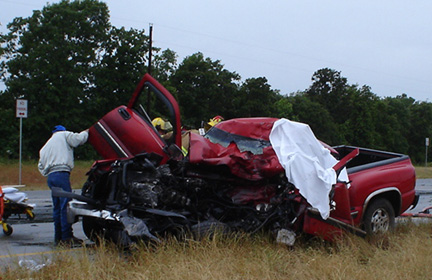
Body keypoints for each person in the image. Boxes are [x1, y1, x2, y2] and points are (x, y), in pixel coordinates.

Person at [38, 125, 89, 246]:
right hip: (61, 174)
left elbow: (40, 165)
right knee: (65, 206)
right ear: (62, 130)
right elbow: (78, 139)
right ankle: (66, 237)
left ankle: (58, 237)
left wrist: (47, 172)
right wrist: (87, 132)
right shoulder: (64, 135)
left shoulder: (45, 146)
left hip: (51, 177)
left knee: (57, 207)